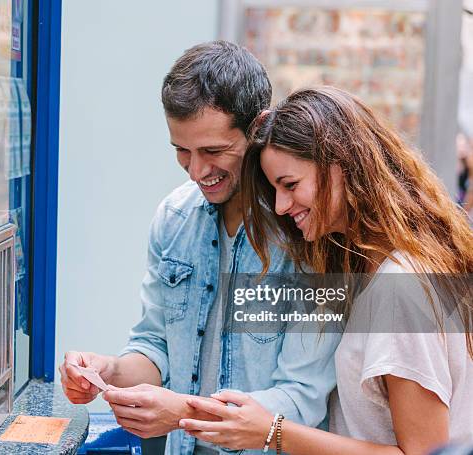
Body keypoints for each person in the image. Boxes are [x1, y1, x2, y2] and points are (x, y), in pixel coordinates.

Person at [60, 42, 341, 455]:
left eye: (213, 151)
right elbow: (156, 345)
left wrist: (182, 413)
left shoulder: (310, 234)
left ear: (258, 128)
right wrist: (111, 370)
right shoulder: (174, 218)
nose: (197, 171)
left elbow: (300, 400)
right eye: (182, 152)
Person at [179, 86, 473, 454]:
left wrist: (273, 431)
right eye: (274, 191)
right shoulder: (374, 266)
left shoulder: (399, 287)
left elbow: (422, 453)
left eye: (290, 185)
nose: (282, 206)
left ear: (343, 166)